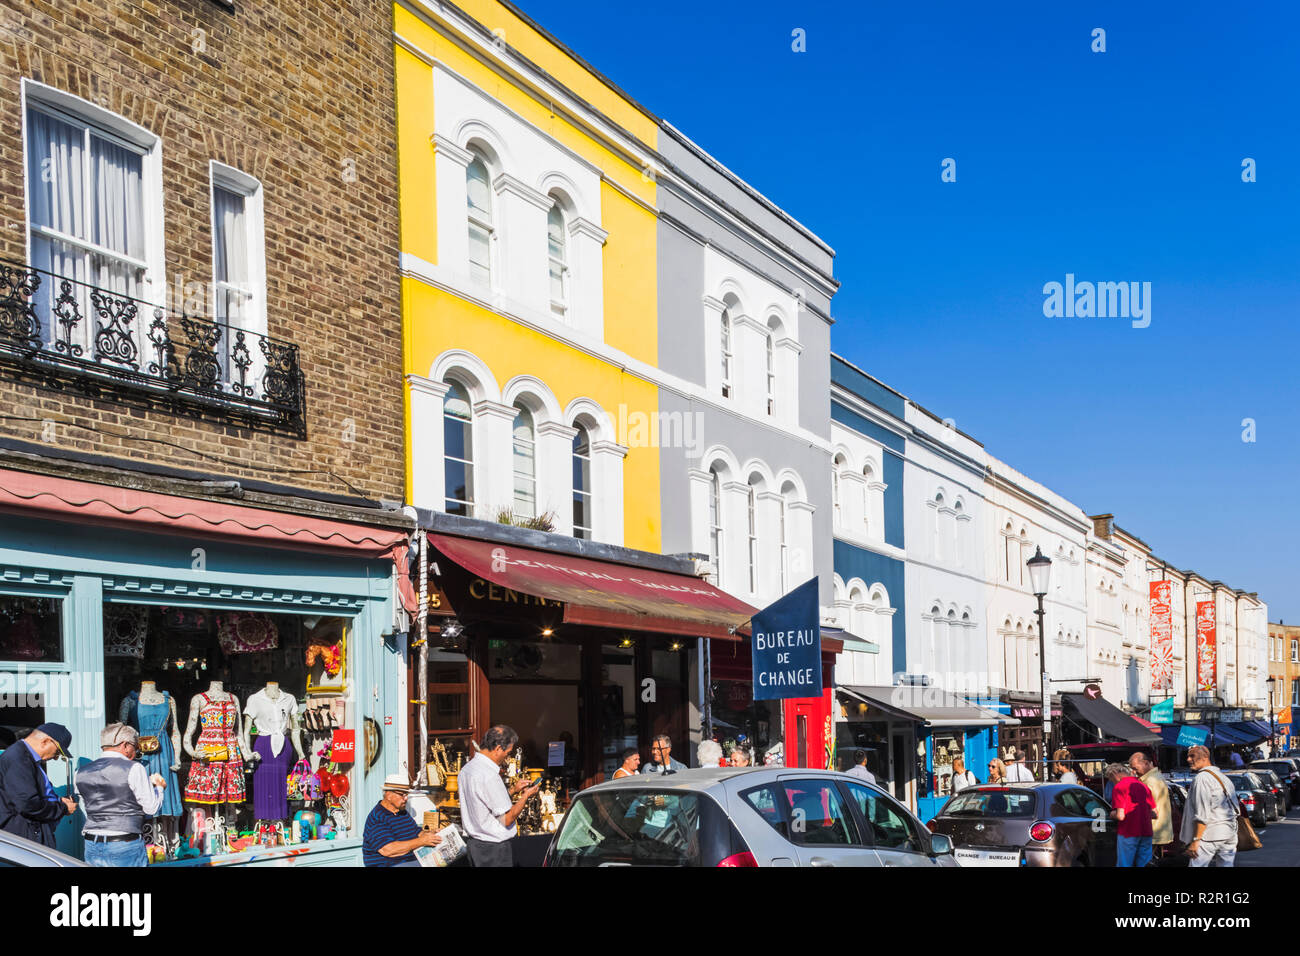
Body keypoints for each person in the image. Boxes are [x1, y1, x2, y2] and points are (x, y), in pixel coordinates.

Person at [77, 723, 167, 867]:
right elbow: (151, 808)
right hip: (124, 843)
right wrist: (159, 788)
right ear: (125, 745)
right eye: (135, 746)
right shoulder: (134, 768)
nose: (136, 751)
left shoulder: (81, 772)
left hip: (92, 843)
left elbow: (91, 803)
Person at [459, 725, 541, 867]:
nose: (507, 757)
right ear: (497, 749)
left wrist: (512, 791)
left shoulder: (467, 769)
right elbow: (507, 819)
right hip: (493, 850)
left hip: (475, 846)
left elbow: (484, 802)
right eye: (508, 752)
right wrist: (526, 795)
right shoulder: (489, 775)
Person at [0, 723, 76, 848]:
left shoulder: (25, 757)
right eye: (57, 751)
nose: (56, 758)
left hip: (25, 833)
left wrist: (57, 802)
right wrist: (62, 808)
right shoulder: (18, 759)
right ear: (45, 742)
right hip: (22, 838)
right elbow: (27, 804)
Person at [362, 773, 440, 867]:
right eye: (402, 795)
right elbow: (389, 850)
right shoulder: (377, 817)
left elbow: (417, 833)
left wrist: (431, 834)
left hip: (411, 861)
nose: (406, 798)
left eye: (407, 794)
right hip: (390, 864)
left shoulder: (402, 812)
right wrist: (423, 841)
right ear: (389, 795)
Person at [1181, 745, 1239, 868]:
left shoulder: (1202, 778)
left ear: (1205, 757)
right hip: (1229, 833)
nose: (1188, 760)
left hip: (1210, 835)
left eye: (1192, 756)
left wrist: (1196, 840)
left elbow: (1202, 814)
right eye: (1188, 756)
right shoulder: (1224, 777)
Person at [1105, 763, 1156, 868]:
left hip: (1128, 832)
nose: (1112, 782)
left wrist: (1111, 814)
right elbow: (1154, 814)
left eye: (1111, 779)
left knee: (1124, 864)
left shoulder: (1119, 787)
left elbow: (1120, 816)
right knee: (1146, 864)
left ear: (1114, 773)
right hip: (1146, 831)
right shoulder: (1144, 786)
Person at [1129, 751, 1173, 860]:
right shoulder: (1156, 777)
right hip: (1158, 830)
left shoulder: (1149, 781)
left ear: (1145, 763)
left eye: (1135, 768)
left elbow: (1143, 808)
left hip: (1151, 830)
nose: (1133, 772)